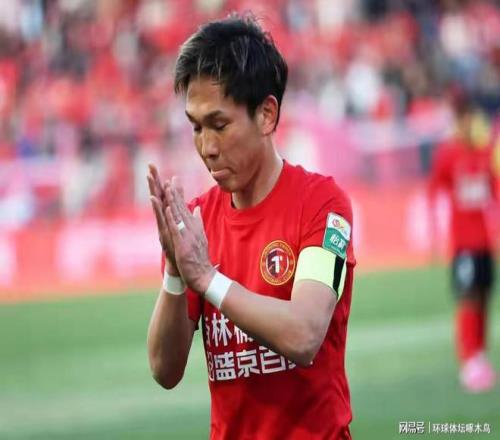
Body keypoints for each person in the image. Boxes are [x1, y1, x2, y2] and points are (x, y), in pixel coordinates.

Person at [146, 14, 355, 439]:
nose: (206, 147)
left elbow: (304, 334)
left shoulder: (323, 205)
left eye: (219, 125)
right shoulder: (198, 221)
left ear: (266, 115)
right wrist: (175, 271)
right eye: (196, 127)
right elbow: (164, 370)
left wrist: (207, 278)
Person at [429, 94, 498, 393]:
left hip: (484, 242)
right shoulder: (449, 154)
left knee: (484, 296)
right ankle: (468, 359)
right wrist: (435, 232)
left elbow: (495, 191)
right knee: (467, 298)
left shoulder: (486, 152)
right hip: (463, 244)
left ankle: (480, 354)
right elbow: (435, 190)